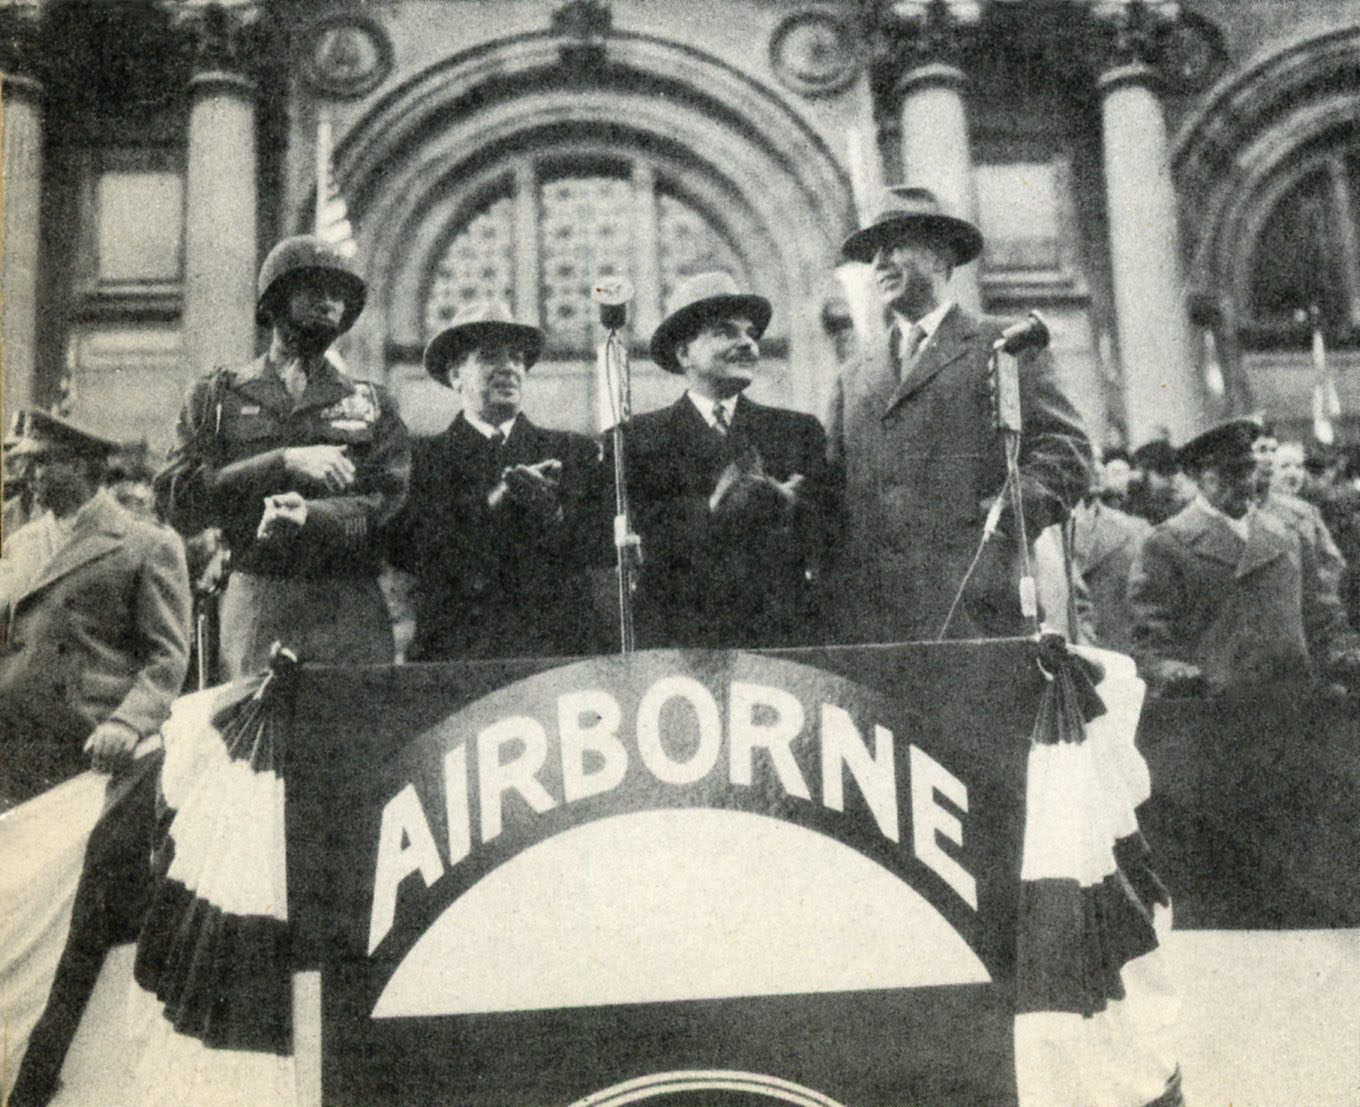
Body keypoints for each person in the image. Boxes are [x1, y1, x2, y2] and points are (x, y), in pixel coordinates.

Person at [824, 187, 1091, 643]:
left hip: (978, 612)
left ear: (939, 255)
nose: (880, 263)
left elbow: (1068, 453)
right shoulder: (854, 376)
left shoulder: (1004, 344)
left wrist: (1008, 513)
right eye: (874, 254)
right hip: (877, 629)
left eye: (896, 245)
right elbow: (829, 486)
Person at [154, 235, 411, 678]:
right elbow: (178, 502)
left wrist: (310, 515)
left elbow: (386, 509)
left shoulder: (373, 405)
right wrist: (282, 461)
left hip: (348, 611)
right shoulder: (217, 398)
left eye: (339, 296)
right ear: (276, 298)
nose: (330, 304)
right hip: (257, 604)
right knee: (248, 740)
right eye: (315, 290)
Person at [612, 271, 832, 649]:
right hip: (681, 648)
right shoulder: (636, 440)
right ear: (684, 354)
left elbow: (830, 536)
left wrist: (791, 507)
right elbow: (639, 541)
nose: (747, 343)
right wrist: (713, 509)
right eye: (725, 332)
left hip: (779, 644)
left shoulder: (797, 432)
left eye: (751, 334)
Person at [385, 301, 604, 661]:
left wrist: (553, 512)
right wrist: (494, 502)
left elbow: (598, 546)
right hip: (458, 659)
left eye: (517, 358)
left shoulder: (571, 452)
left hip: (556, 658)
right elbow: (413, 552)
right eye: (489, 357)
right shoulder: (422, 461)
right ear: (456, 375)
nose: (508, 369)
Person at [0, 412, 191, 810]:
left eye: (41, 462)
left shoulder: (145, 544)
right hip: (14, 744)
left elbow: (168, 656)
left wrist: (127, 722)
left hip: (91, 749)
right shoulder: (21, 543)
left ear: (79, 466)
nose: (29, 473)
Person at [1127, 417, 1360, 699]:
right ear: (1199, 477)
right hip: (1217, 713)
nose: (1243, 482)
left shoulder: (1288, 534)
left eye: (1247, 470)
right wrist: (1172, 672)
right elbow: (1150, 639)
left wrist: (1344, 653)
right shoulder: (1166, 544)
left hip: (1296, 705)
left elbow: (1322, 615)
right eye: (1228, 473)